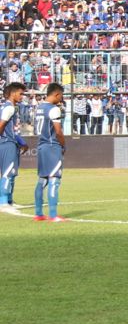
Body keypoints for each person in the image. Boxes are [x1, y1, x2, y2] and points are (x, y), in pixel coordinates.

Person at [32, 83, 68, 222]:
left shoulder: (39, 107)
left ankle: (38, 213)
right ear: (57, 94)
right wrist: (63, 145)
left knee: (42, 179)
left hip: (41, 146)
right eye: (62, 95)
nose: (62, 98)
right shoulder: (54, 109)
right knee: (54, 179)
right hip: (52, 146)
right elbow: (58, 131)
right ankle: (53, 215)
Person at [0, 82, 26, 215]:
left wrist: (22, 142)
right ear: (13, 93)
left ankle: (9, 200)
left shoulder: (10, 108)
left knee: (12, 173)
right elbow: (1, 126)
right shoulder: (9, 108)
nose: (22, 96)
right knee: (7, 173)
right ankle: (3, 202)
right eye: (21, 94)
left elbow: (12, 130)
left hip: (11, 143)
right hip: (6, 144)